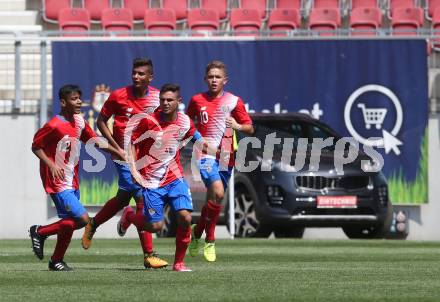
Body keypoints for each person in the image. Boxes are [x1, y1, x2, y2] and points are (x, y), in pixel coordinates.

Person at [118, 83, 215, 272]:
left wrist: (217, 151)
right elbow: (131, 142)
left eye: (169, 100)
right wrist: (134, 170)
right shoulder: (148, 120)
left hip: (174, 178)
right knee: (155, 225)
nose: (165, 103)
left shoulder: (185, 121)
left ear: (178, 101)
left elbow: (197, 138)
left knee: (185, 218)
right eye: (162, 100)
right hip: (152, 182)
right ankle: (130, 215)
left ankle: (179, 263)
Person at [81, 58, 168, 269]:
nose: (136, 76)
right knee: (140, 196)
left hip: (146, 158)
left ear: (150, 77)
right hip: (123, 155)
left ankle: (96, 222)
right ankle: (149, 255)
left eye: (141, 74)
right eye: (134, 73)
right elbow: (101, 121)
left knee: (123, 199)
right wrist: (115, 147)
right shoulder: (119, 95)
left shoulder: (158, 98)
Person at [29, 84, 125, 271]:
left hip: (72, 179)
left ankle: (56, 260)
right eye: (74, 99)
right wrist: (51, 164)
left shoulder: (79, 121)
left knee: (68, 223)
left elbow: (94, 141)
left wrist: (116, 151)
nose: (79, 101)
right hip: (57, 181)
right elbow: (36, 146)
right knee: (82, 219)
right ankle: (40, 232)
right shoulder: (53, 125)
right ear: (63, 102)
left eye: (80, 98)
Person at [186, 60, 254, 262]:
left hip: (226, 157)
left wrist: (237, 126)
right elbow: (187, 124)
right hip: (206, 155)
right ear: (205, 79)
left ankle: (197, 233)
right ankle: (211, 240)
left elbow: (250, 128)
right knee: (218, 192)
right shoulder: (197, 100)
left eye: (218, 77)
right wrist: (197, 139)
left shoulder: (234, 101)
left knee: (213, 201)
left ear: (225, 80)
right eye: (211, 77)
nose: (214, 80)